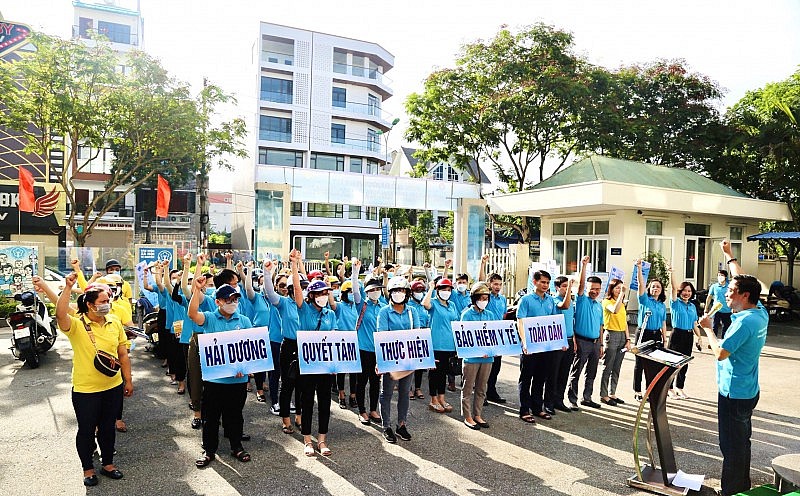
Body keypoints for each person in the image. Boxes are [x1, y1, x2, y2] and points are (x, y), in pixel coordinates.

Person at [699, 240, 767, 496]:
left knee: (731, 446)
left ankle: (732, 490)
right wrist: (729, 256)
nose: (726, 293)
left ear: (744, 296)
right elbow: (742, 278)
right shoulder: (759, 312)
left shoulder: (743, 324)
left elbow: (720, 353)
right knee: (742, 442)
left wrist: (707, 328)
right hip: (748, 389)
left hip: (734, 393)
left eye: (730, 291)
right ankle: (741, 485)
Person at [54, 273, 133, 487]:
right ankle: (88, 469)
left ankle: (108, 464)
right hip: (86, 390)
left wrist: (128, 380)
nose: (107, 304)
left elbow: (123, 353)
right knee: (87, 430)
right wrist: (68, 288)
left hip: (112, 386)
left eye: (108, 301)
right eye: (102, 302)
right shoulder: (78, 325)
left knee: (107, 428)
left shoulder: (114, 322)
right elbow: (60, 314)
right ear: (89, 305)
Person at [189, 279, 252, 468]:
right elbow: (192, 314)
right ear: (218, 302)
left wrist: (246, 368)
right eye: (228, 299)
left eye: (235, 299)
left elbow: (251, 348)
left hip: (237, 380)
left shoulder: (244, 320)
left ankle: (236, 446)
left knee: (235, 415)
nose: (233, 302)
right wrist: (197, 291)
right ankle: (209, 450)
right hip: (215, 380)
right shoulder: (209, 318)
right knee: (211, 418)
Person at [294, 272, 338, 457]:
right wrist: (295, 264)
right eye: (319, 293)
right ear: (311, 295)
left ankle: (322, 439)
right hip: (308, 364)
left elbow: (335, 337)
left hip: (325, 366)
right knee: (307, 401)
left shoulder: (330, 314)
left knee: (325, 402)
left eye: (325, 293)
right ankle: (307, 440)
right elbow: (297, 289)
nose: (323, 297)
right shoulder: (304, 310)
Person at [377, 277, 420, 443]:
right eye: (395, 291)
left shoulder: (412, 312)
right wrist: (379, 361)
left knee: (405, 393)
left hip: (408, 359)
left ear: (407, 293)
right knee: (386, 393)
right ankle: (386, 426)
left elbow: (417, 334)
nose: (398, 294)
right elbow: (382, 336)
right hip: (390, 359)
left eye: (402, 290)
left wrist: (424, 358)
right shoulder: (384, 312)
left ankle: (401, 424)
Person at [516, 269, 559, 422]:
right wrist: (525, 342)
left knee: (540, 378)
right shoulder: (526, 300)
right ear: (534, 282)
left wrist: (557, 342)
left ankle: (537, 408)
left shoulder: (550, 301)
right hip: (529, 346)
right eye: (542, 282)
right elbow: (520, 321)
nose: (545, 285)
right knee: (526, 378)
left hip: (545, 346)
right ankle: (524, 410)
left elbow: (554, 322)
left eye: (547, 283)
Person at [567, 256, 604, 410]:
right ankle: (572, 399)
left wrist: (601, 344)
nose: (594, 291)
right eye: (592, 288)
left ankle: (587, 398)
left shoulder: (599, 305)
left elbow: (601, 326)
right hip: (582, 342)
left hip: (595, 343)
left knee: (592, 373)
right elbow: (581, 284)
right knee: (576, 371)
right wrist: (583, 266)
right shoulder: (581, 300)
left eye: (597, 289)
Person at [459, 282, 496, 430]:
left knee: (482, 388)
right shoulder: (466, 315)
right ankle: (467, 416)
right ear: (474, 299)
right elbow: (463, 336)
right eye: (481, 298)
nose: (484, 301)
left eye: (486, 298)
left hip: (487, 357)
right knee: (468, 387)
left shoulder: (490, 315)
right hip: (471, 358)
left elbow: (494, 335)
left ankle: (478, 414)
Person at [422, 277, 460, 413]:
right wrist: (431, 288)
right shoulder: (433, 303)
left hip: (449, 345)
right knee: (434, 373)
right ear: (438, 290)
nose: (446, 291)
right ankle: (433, 399)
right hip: (435, 344)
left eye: (449, 289)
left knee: (444, 373)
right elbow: (424, 304)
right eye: (443, 289)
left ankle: (442, 398)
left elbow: (455, 323)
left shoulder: (452, 305)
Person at [633, 260, 668, 401]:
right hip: (643, 333)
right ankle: (637, 391)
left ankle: (650, 390)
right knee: (640, 364)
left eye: (658, 287)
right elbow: (641, 284)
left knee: (653, 364)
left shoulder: (661, 305)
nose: (655, 289)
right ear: (649, 288)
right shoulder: (644, 300)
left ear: (661, 290)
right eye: (653, 286)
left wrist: (665, 338)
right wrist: (640, 269)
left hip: (656, 335)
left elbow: (664, 322)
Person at [355, 277, 386, 425]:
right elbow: (355, 291)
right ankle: (362, 411)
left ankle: (373, 409)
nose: (375, 292)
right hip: (363, 349)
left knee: (375, 381)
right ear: (366, 291)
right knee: (361, 381)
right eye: (372, 289)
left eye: (378, 289)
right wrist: (355, 271)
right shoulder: (362, 304)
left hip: (379, 350)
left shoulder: (384, 306)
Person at [667, 267, 701, 399]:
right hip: (677, 335)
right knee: (673, 363)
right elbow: (673, 288)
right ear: (680, 292)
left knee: (684, 363)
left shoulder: (692, 306)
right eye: (684, 291)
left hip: (688, 335)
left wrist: (699, 337)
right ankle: (669, 388)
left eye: (689, 291)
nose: (687, 293)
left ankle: (679, 387)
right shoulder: (675, 303)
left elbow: (694, 323)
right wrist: (672, 273)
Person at [334, 264, 361, 409]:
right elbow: (332, 304)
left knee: (354, 370)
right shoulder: (339, 306)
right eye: (348, 291)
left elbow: (357, 291)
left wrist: (355, 272)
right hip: (340, 341)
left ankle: (353, 395)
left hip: (354, 341)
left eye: (352, 291)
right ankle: (341, 395)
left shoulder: (356, 305)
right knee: (341, 370)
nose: (351, 293)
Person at [599, 279, 630, 406]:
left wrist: (628, 339)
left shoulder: (622, 303)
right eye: (617, 288)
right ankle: (604, 394)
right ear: (611, 289)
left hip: (622, 335)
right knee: (608, 366)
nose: (619, 290)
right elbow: (615, 310)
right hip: (611, 334)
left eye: (621, 288)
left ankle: (613, 393)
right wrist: (622, 295)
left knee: (617, 367)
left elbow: (625, 323)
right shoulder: (607, 302)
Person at [551, 276, 576, 413]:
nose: (567, 289)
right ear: (557, 287)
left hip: (570, 340)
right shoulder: (554, 300)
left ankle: (559, 400)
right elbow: (564, 306)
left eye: (568, 286)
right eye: (564, 286)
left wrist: (574, 340)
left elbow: (572, 321)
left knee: (564, 372)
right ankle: (550, 400)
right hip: (558, 341)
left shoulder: (571, 301)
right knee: (554, 372)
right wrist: (569, 290)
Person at [408, 279, 430, 400]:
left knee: (420, 365)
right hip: (411, 335)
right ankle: (409, 388)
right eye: (417, 290)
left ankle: (418, 387)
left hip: (423, 335)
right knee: (411, 365)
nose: (419, 293)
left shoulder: (423, 305)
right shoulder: (409, 305)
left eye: (421, 290)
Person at [706, 269, 733, 338]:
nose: (720, 277)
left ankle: (723, 343)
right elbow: (709, 297)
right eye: (719, 275)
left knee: (726, 328)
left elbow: (733, 297)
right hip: (716, 310)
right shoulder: (714, 286)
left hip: (727, 310)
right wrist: (706, 308)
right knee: (714, 327)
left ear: (725, 277)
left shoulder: (729, 287)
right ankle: (713, 341)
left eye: (722, 275)